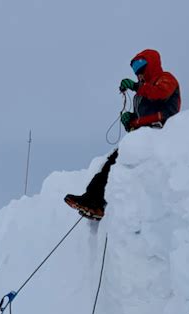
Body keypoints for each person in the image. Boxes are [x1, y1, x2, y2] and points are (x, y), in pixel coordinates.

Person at [64, 49, 181, 221]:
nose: (138, 72)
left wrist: (136, 88)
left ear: (152, 64)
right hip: (145, 134)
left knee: (116, 163)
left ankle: (95, 202)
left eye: (141, 66)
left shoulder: (165, 79)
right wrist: (131, 120)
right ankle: (93, 200)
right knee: (111, 162)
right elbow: (143, 117)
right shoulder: (143, 91)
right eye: (135, 68)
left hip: (161, 133)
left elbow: (161, 94)